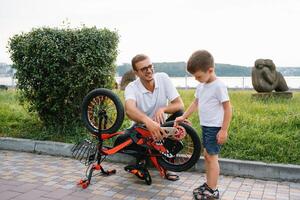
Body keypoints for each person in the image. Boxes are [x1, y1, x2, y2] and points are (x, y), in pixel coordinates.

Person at [174, 50, 232, 199]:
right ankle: (209, 184)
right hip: (206, 126)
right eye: (194, 76)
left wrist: (224, 130)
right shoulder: (202, 86)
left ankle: (213, 190)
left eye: (198, 76)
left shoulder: (219, 86)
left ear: (210, 70)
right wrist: (183, 116)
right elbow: (196, 103)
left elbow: (228, 108)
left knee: (212, 158)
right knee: (207, 156)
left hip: (215, 128)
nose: (196, 79)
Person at [120, 53, 184, 181]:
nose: (149, 71)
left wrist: (163, 109)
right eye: (144, 69)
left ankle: (167, 162)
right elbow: (129, 110)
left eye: (150, 66)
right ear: (136, 73)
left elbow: (179, 104)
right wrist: (147, 121)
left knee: (180, 114)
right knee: (122, 141)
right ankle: (142, 161)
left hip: (162, 126)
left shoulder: (163, 78)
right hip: (142, 129)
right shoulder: (131, 88)